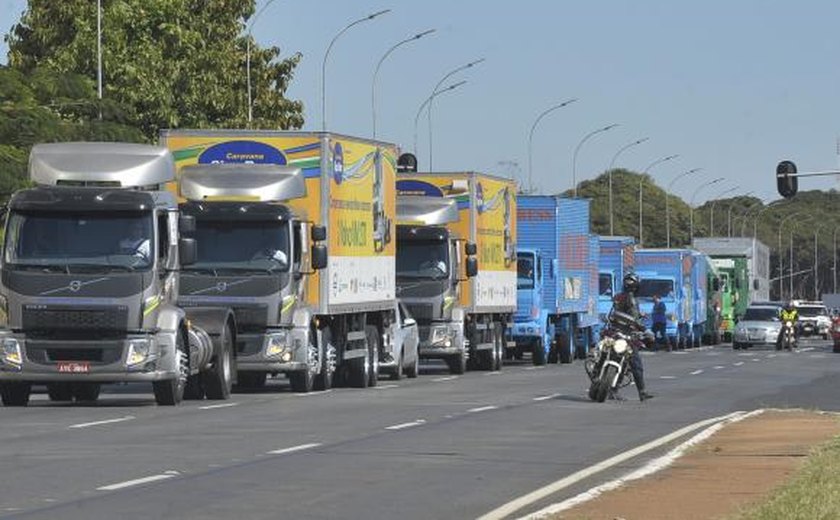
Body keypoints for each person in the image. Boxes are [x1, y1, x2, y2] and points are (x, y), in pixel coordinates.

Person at [612, 272, 654, 401]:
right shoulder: (631, 299)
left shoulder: (618, 297)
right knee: (635, 363)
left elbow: (618, 314)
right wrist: (645, 329)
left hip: (616, 332)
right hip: (626, 335)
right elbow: (634, 319)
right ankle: (642, 392)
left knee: (621, 362)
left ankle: (614, 389)